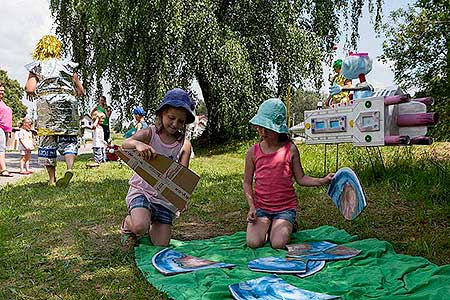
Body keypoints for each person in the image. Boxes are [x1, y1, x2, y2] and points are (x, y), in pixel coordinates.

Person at [243, 98, 334, 249]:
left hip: (284, 209)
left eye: (268, 128)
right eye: (261, 127)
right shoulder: (253, 152)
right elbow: (247, 182)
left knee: (278, 244)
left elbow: (301, 178)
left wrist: (322, 180)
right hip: (262, 209)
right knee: (253, 243)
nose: (263, 132)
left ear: (279, 129)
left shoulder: (290, 149)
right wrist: (252, 207)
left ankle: (286, 223)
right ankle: (269, 227)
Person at [120, 88, 195, 248]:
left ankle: (151, 220)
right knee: (140, 226)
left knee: (161, 245)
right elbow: (124, 145)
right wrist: (137, 144)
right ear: (162, 114)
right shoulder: (149, 133)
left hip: (164, 198)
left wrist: (181, 198)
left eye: (180, 121)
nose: (175, 124)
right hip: (143, 191)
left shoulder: (184, 144)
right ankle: (128, 225)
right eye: (171, 118)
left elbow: (182, 175)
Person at [24, 35, 85, 187]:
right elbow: (81, 90)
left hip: (47, 107)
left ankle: (52, 180)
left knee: (47, 141)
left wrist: (32, 93)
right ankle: (69, 168)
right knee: (69, 138)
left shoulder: (37, 65)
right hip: (68, 105)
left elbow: (30, 88)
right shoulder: (68, 65)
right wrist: (68, 96)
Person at [0, 82, 13, 177]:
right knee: (1, 149)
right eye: (0, 91)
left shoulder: (2, 102)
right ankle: (3, 169)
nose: (2, 93)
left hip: (4, 129)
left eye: (3, 91)